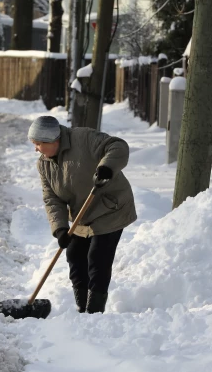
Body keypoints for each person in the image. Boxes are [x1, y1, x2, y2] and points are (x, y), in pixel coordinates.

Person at [28, 116, 137, 314]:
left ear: (52, 140)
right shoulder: (44, 165)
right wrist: (60, 228)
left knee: (98, 257)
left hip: (109, 206)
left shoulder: (83, 138)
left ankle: (94, 312)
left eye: (38, 144)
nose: (36, 149)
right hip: (82, 213)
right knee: (75, 254)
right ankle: (82, 307)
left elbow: (117, 146)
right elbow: (52, 199)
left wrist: (107, 167)